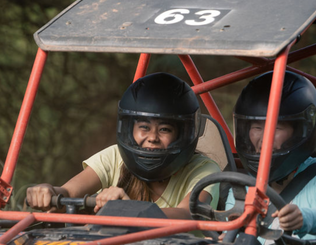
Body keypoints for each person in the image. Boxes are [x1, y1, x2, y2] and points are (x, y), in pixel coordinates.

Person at [27, 72, 220, 219]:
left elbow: (187, 214)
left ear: (183, 134)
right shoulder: (115, 157)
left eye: (164, 129)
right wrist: (47, 192)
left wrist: (130, 210)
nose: (152, 138)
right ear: (129, 129)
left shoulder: (204, 170)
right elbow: (68, 193)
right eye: (144, 127)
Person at [227, 71, 316, 240]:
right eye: (257, 127)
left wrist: (305, 219)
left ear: (299, 133)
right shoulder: (243, 187)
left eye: (276, 128)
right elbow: (232, 235)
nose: (264, 139)